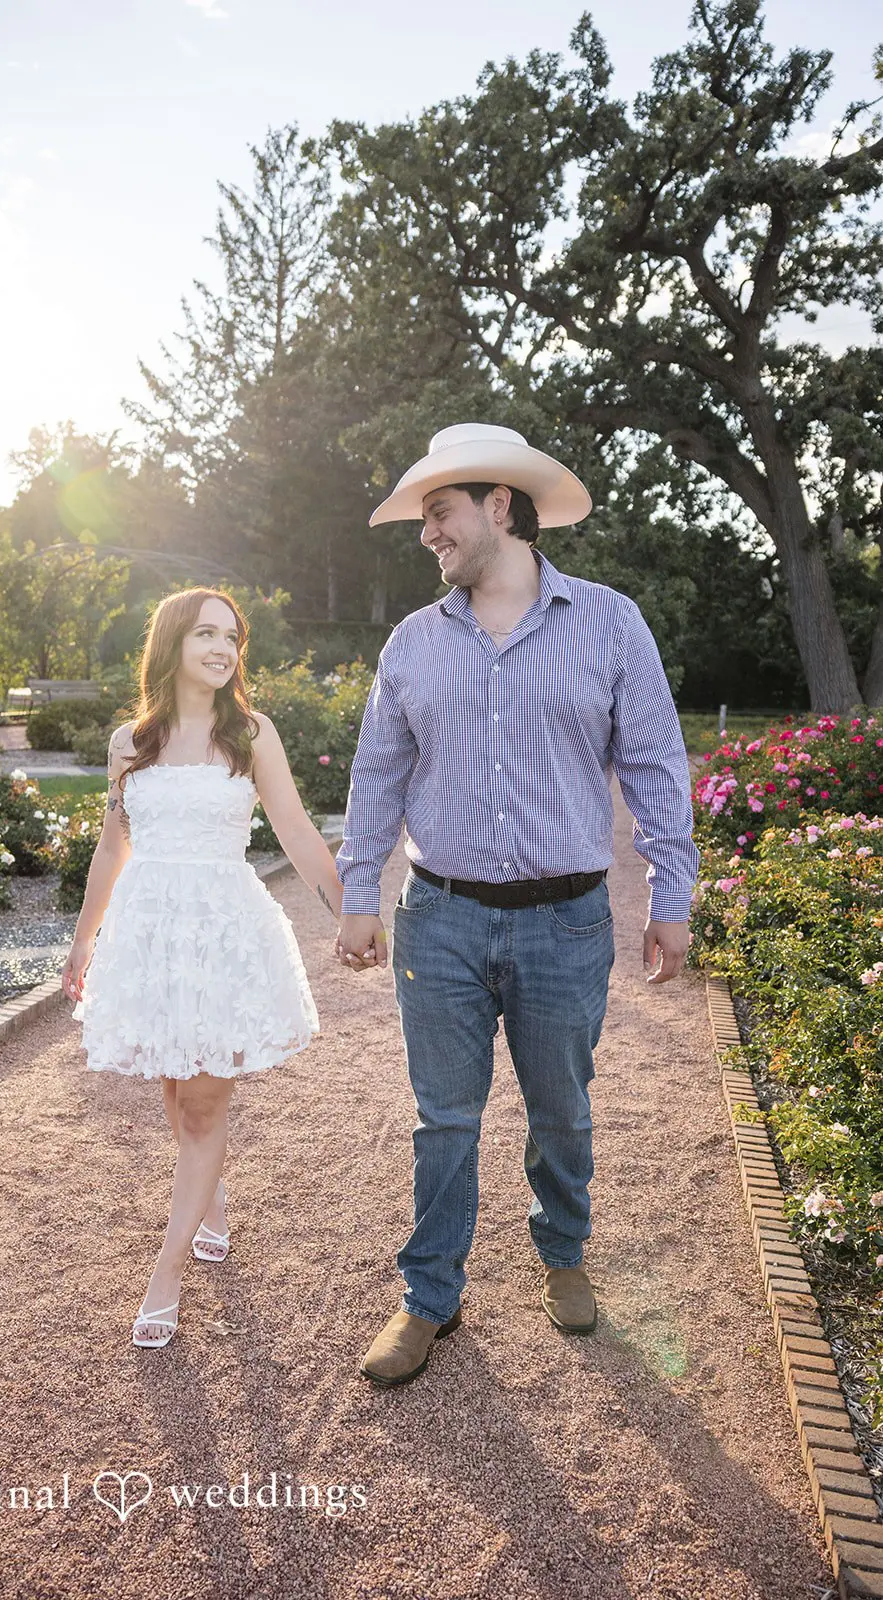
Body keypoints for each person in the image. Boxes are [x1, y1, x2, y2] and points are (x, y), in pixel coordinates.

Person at [335, 422, 700, 1388]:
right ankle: (429, 1297)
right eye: (422, 518)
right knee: (443, 1118)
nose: (428, 535)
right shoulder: (411, 644)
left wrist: (672, 893)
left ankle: (564, 1253)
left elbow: (655, 765)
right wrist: (357, 892)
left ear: (499, 507)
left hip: (566, 920)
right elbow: (377, 776)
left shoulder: (610, 623)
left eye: (440, 512)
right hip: (440, 917)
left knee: (561, 1109)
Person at [62, 588, 343, 1349]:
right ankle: (209, 1201)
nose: (222, 648)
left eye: (232, 637)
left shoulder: (250, 734)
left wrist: (349, 910)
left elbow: (294, 830)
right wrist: (84, 940)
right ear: (172, 644)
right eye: (207, 634)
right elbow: (111, 849)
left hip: (223, 933)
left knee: (202, 1106)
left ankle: (166, 1272)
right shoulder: (131, 740)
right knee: (175, 1083)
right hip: (150, 935)